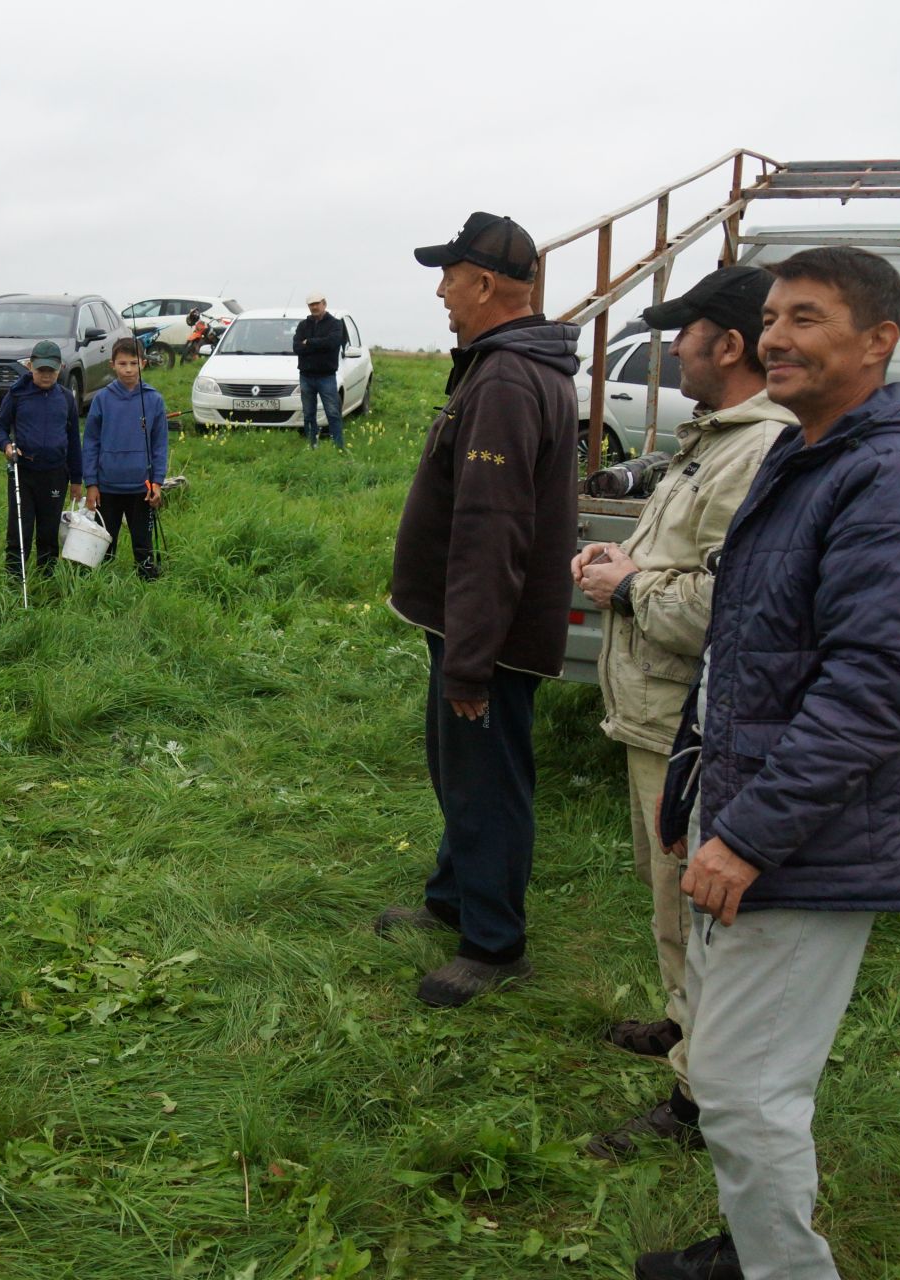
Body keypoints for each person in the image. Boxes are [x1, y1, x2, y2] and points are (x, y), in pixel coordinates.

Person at [636, 248, 900, 1280]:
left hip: (808, 833)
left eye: (810, 317)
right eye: (775, 315)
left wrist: (745, 834)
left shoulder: (891, 481)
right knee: (750, 1070)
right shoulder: (814, 453)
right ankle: (756, 1244)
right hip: (760, 805)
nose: (778, 336)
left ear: (877, 340)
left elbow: (874, 688)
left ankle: (783, 1268)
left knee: (743, 1087)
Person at [568, 266, 791, 1160]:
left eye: (683, 333)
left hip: (691, 728)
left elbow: (730, 606)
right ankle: (680, 1023)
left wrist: (627, 588)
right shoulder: (714, 439)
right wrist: (629, 558)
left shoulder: (759, 449)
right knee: (668, 902)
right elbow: (687, 560)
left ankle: (700, 1098)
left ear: (727, 346)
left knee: (699, 913)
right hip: (654, 715)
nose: (671, 350)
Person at [377, 213, 580, 1006]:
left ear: (487, 283)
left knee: (486, 781)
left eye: (450, 277)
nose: (441, 291)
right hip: (483, 630)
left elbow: (491, 530)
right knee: (464, 772)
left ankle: (493, 944)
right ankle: (451, 899)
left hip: (488, 638)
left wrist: (470, 658)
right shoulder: (516, 367)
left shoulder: (503, 378)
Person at [0, 339, 82, 581]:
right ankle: (14, 579)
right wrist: (7, 446)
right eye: (40, 369)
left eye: (51, 370)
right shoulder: (17, 394)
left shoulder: (66, 398)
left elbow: (74, 439)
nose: (45, 375)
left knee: (49, 530)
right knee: (19, 529)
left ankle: (46, 579)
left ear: (60, 368)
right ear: (30, 366)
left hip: (55, 474)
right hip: (23, 472)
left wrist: (76, 479)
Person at [82, 338, 168, 579]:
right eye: (122, 363)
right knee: (104, 543)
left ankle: (147, 581)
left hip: (141, 487)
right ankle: (101, 583)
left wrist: (158, 482)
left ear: (143, 363)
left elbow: (160, 444)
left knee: (143, 543)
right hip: (107, 486)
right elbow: (90, 443)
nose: (128, 369)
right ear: (112, 365)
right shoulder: (102, 399)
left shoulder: (153, 399)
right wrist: (91, 483)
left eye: (133, 363)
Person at [293, 292, 347, 449]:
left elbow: (332, 342)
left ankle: (338, 446)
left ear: (324, 304)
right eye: (311, 304)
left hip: (326, 376)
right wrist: (318, 345)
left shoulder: (335, 324)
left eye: (317, 303)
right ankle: (311, 445)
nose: (314, 307)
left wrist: (308, 342)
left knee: (332, 412)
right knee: (308, 414)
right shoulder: (303, 325)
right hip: (306, 376)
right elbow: (296, 347)